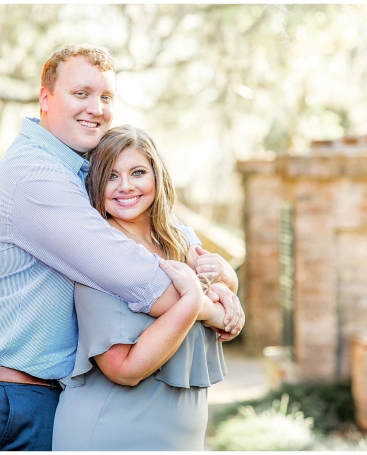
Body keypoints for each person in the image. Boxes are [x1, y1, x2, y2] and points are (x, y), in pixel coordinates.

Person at [0, 44, 244, 451]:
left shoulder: (75, 170)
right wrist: (211, 308)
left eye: (105, 97)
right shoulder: (36, 177)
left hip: (25, 393)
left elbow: (165, 234)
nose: (96, 108)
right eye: (81, 94)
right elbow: (135, 273)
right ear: (45, 98)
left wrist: (217, 275)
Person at [52, 125, 234, 450]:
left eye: (137, 172)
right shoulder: (98, 251)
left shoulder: (177, 239)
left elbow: (221, 286)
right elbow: (124, 369)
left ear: (156, 176)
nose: (126, 187)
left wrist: (226, 295)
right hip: (111, 432)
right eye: (111, 175)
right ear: (95, 182)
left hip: (181, 436)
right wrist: (197, 303)